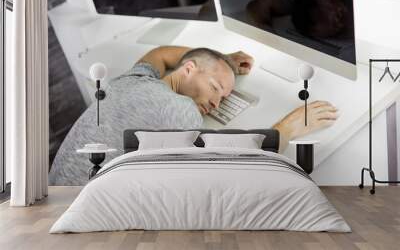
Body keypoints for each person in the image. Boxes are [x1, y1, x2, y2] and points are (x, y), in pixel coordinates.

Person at [49, 46, 338, 185]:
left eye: (224, 98)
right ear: (187, 69)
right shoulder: (179, 109)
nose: (216, 103)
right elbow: (231, 167)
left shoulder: (134, 79)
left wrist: (220, 61)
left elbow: (160, 55)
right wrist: (288, 127)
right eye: (215, 88)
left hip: (55, 190)